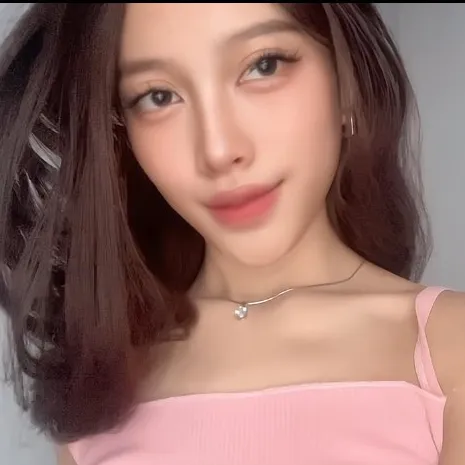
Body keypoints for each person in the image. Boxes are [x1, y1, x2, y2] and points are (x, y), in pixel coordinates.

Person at [0, 3, 464, 464]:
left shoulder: (449, 350)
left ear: (348, 83)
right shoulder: (100, 382)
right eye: (158, 96)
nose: (219, 151)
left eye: (264, 66)